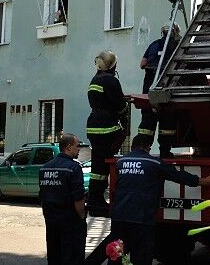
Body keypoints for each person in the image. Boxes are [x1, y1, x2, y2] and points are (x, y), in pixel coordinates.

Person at [105, 134, 210, 265]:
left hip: (119, 217)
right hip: (142, 218)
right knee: (141, 256)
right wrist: (204, 181)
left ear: (132, 146)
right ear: (147, 147)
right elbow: (178, 176)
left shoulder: (121, 162)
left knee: (116, 255)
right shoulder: (154, 163)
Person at [87, 50, 128, 214]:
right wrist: (124, 112)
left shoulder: (94, 79)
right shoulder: (111, 81)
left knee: (97, 166)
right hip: (106, 127)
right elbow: (119, 105)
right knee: (104, 166)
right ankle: (97, 201)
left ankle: (94, 199)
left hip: (93, 125)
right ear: (112, 65)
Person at [39, 133, 86, 265]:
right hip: (70, 223)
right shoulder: (74, 168)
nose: (79, 149)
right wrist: (81, 217)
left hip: (51, 222)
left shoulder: (44, 168)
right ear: (69, 147)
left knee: (54, 256)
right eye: (77, 146)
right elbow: (78, 198)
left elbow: (42, 196)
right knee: (71, 257)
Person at [138, 24, 180, 157]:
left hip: (149, 91)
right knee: (167, 123)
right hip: (168, 90)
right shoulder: (178, 45)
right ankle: (165, 152)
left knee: (147, 124)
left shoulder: (154, 44)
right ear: (175, 32)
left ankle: (142, 150)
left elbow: (142, 64)